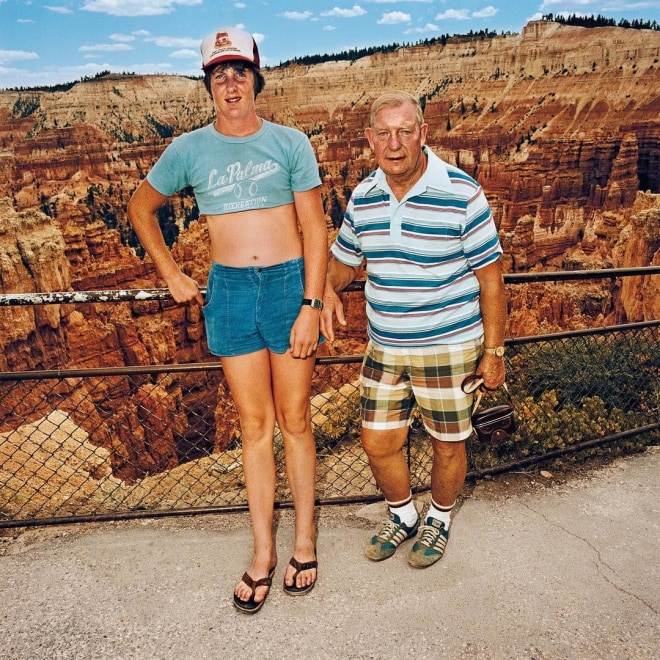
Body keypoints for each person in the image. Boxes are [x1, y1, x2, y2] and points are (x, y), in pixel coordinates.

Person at [127, 27, 327, 612]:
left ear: (256, 79)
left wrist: (312, 304)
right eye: (219, 74)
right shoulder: (189, 149)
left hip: (289, 286)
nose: (230, 82)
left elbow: (314, 227)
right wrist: (169, 271)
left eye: (239, 71)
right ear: (209, 86)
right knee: (255, 426)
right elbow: (142, 208)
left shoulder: (291, 143)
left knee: (295, 420)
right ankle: (263, 552)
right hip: (232, 291)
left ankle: (306, 541)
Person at [321, 91, 506, 568]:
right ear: (369, 139)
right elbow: (343, 261)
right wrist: (329, 290)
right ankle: (402, 514)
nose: (395, 143)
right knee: (378, 441)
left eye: (405, 131)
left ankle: (439, 519)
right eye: (384, 133)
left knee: (448, 443)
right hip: (384, 347)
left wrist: (495, 351)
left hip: (449, 345)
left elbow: (491, 279)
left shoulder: (462, 191)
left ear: (424, 134)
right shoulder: (364, 196)